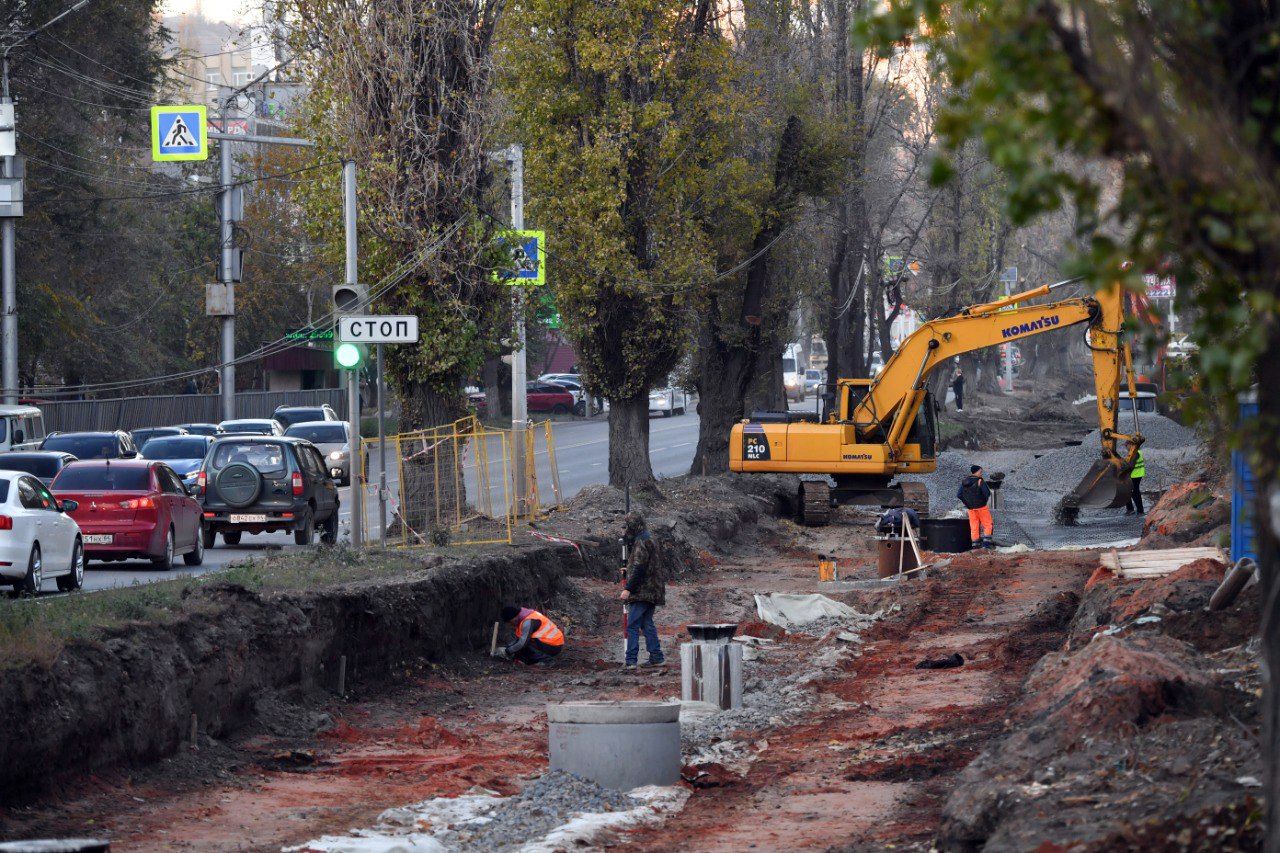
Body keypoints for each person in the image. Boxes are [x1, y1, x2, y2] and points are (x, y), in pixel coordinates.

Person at [620, 511, 665, 669]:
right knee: (647, 624)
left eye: (628, 526)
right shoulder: (649, 538)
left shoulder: (641, 542)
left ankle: (631, 660)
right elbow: (645, 564)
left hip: (642, 591)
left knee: (632, 625)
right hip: (653, 589)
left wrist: (628, 589)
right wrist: (629, 567)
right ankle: (657, 657)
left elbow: (640, 567)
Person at [497, 605, 564, 666]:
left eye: (509, 621)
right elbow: (519, 640)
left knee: (525, 645)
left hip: (553, 645)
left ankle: (547, 660)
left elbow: (522, 643)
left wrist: (507, 651)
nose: (510, 624)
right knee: (521, 648)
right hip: (552, 642)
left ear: (514, 617)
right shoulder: (528, 615)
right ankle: (529, 660)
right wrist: (508, 647)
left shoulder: (528, 621)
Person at [957, 464, 994, 548]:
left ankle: (975, 546)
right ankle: (986, 545)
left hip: (971, 509)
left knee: (974, 527)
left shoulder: (964, 482)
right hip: (982, 508)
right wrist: (982, 502)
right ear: (976, 472)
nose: (981, 473)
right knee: (988, 524)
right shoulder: (980, 481)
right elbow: (987, 493)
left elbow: (959, 495)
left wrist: (967, 504)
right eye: (980, 471)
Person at [1125, 446, 1146, 516]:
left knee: (1134, 493)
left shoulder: (1135, 453)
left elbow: (1131, 466)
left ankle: (1139, 511)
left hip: (1135, 475)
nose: (1126, 447)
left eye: (1126, 446)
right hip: (1137, 474)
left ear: (1131, 445)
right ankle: (1131, 509)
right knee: (1129, 491)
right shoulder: (1136, 452)